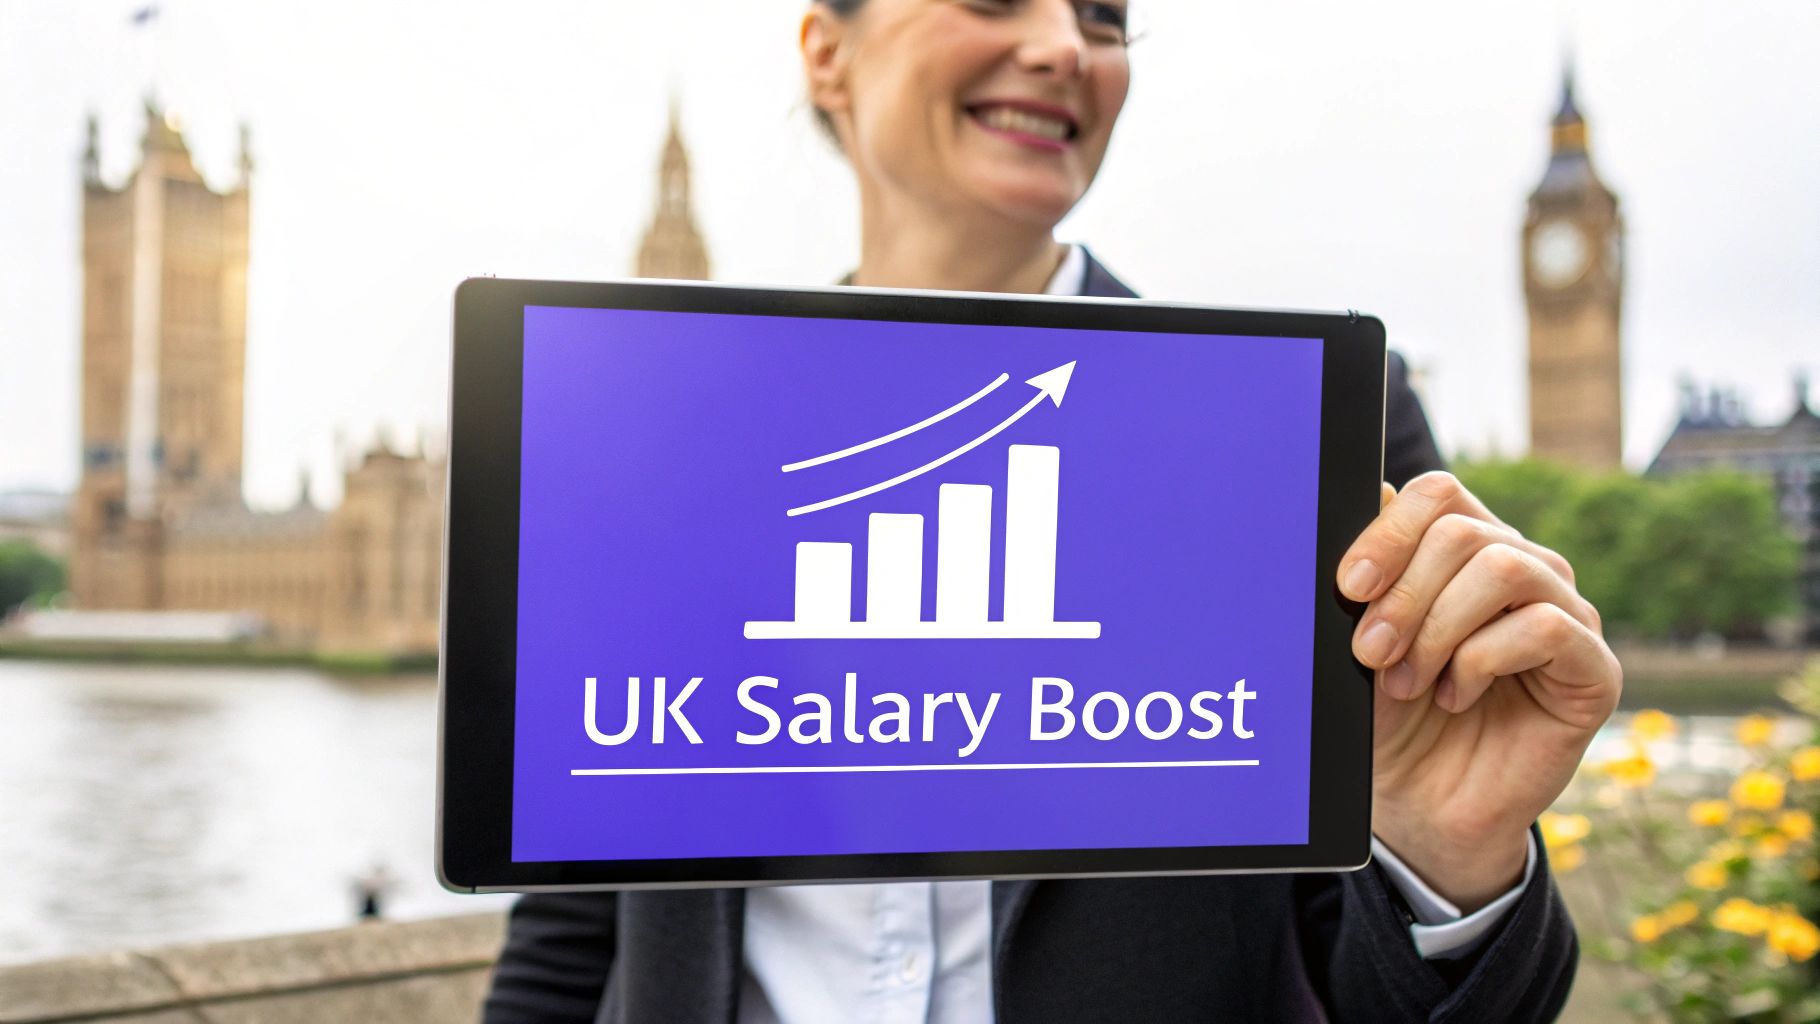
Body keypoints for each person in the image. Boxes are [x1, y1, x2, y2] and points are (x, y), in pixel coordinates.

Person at [483, 1, 1621, 1020]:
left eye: (1103, 14)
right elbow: (573, 929)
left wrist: (1445, 854)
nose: (1060, 45)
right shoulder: (666, 426)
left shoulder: (1305, 422)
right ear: (827, 54)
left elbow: (1392, 986)